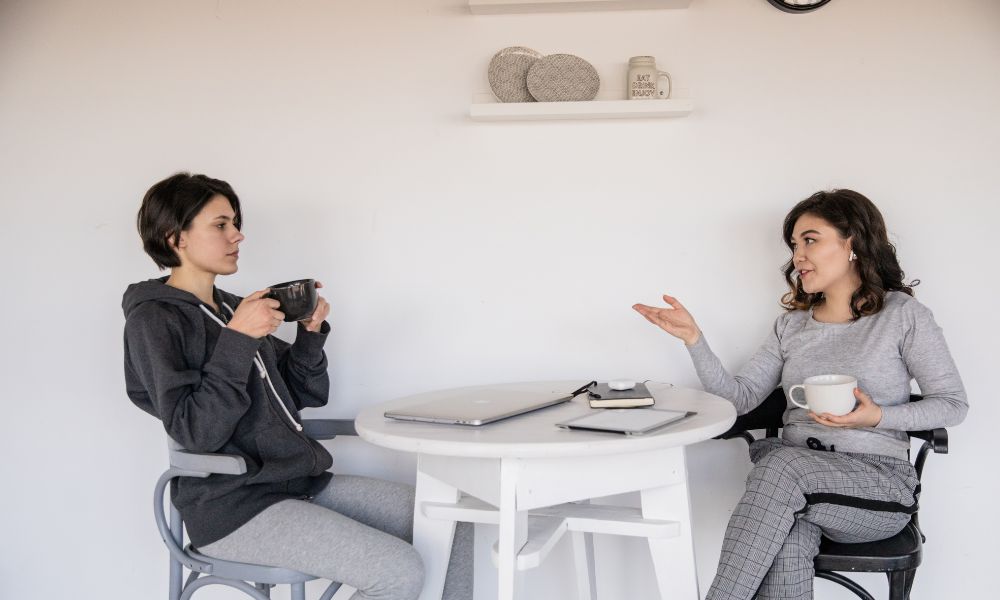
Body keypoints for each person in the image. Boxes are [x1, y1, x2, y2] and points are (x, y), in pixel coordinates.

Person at [123, 173, 472, 600]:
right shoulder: (154, 320)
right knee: (397, 571)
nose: (238, 234)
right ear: (175, 237)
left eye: (235, 222)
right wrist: (238, 338)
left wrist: (309, 333)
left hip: (298, 483)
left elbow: (299, 394)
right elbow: (194, 431)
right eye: (221, 225)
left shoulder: (234, 308)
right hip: (234, 506)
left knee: (457, 524)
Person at [632, 189, 967, 600]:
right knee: (787, 538)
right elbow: (739, 399)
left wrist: (876, 417)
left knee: (781, 466)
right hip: (794, 490)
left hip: (876, 487)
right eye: (794, 245)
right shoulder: (791, 327)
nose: (798, 256)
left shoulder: (902, 316)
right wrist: (694, 340)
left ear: (853, 243)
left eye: (810, 239)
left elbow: (952, 404)